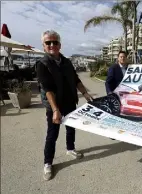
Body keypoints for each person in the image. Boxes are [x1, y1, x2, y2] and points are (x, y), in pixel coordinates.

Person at [36, 30, 93, 181]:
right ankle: (48, 163)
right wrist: (55, 110)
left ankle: (70, 149)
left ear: (60, 45)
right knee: (52, 135)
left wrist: (86, 94)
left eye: (55, 42)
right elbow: (47, 89)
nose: (52, 45)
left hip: (69, 102)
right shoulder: (42, 64)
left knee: (71, 128)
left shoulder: (67, 61)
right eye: (48, 42)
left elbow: (76, 80)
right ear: (44, 46)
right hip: (54, 106)